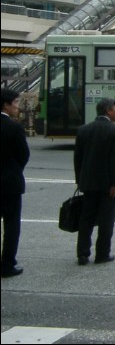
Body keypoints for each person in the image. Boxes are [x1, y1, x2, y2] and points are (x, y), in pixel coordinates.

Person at [74, 97, 115, 265]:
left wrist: (79, 180)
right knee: (106, 220)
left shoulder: (83, 130)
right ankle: (102, 253)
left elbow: (78, 159)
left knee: (86, 218)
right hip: (108, 183)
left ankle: (82, 254)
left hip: (88, 181)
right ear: (108, 111)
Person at [1, 89, 30, 278]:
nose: (18, 107)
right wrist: (13, 169)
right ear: (6, 104)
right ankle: (7, 264)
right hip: (10, 183)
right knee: (11, 225)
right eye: (16, 103)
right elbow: (23, 155)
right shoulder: (14, 127)